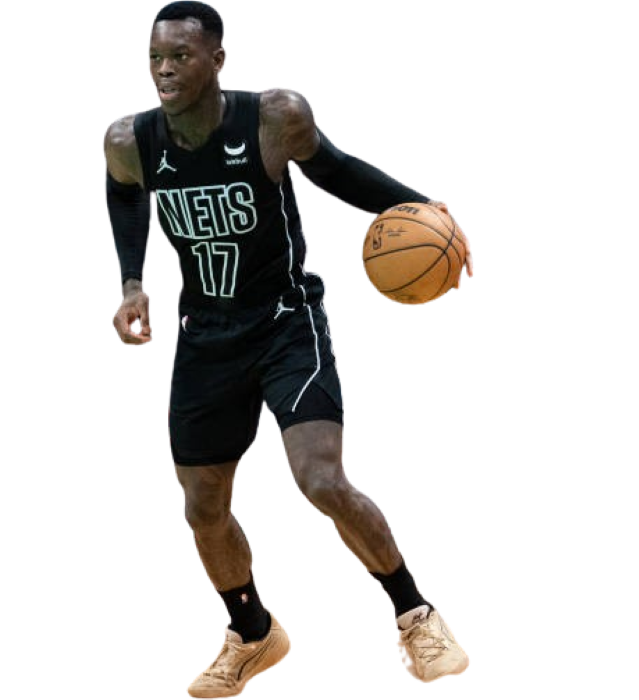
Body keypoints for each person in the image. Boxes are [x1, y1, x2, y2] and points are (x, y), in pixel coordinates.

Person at [103, 1, 474, 696]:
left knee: (320, 480)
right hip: (205, 334)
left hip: (285, 322)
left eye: (180, 56)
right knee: (200, 506)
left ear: (217, 61)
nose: (163, 70)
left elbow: (336, 171)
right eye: (154, 57)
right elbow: (123, 196)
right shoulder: (130, 138)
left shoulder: (274, 117)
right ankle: (253, 634)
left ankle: (416, 615)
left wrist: (425, 209)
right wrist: (131, 282)